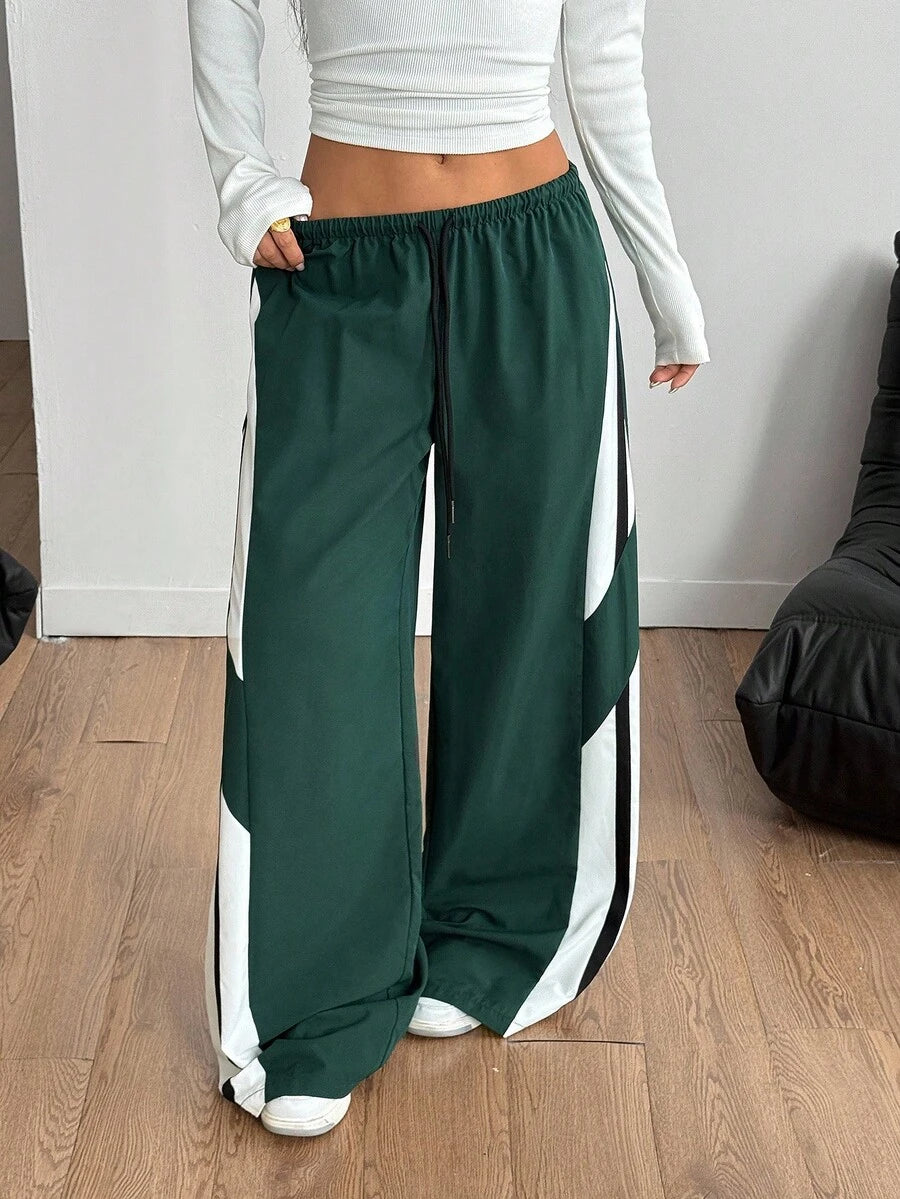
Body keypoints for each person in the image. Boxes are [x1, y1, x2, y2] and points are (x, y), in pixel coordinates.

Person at [187, 0, 709, 1139]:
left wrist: (662, 272)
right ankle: (315, 995)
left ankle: (492, 927)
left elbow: (603, 55)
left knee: (532, 608)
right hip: (338, 261)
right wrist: (242, 180)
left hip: (533, 253)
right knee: (311, 627)